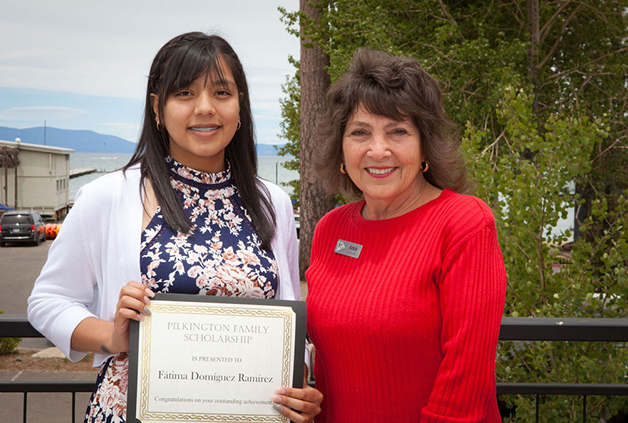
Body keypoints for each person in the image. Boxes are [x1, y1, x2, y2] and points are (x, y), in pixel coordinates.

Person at [27, 32, 321, 423]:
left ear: (240, 105)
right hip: (133, 412)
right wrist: (111, 336)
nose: (204, 108)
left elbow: (288, 315)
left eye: (221, 93)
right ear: (157, 108)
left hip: (248, 414)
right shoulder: (108, 196)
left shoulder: (272, 203)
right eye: (184, 93)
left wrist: (298, 378)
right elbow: (48, 301)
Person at [305, 48, 507, 422]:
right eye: (360, 132)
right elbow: (331, 364)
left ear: (424, 146)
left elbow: (466, 378)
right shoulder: (329, 229)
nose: (378, 150)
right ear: (341, 149)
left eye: (398, 132)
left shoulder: (464, 223)